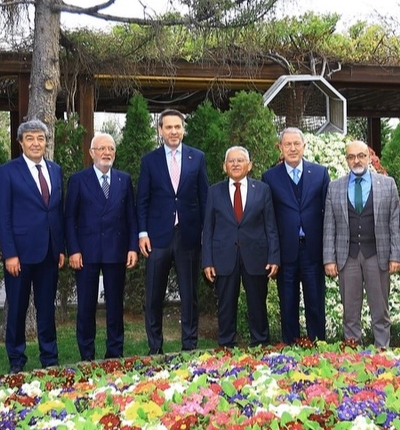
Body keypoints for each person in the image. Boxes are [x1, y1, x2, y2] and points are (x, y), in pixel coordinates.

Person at [0, 119, 66, 370]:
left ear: (46, 142)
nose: (36, 143)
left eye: (40, 138)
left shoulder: (56, 170)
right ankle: (16, 360)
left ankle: (49, 358)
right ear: (21, 142)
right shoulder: (6, 172)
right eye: (30, 138)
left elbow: (57, 212)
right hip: (19, 256)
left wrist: (61, 248)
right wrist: (9, 253)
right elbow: (2, 216)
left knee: (46, 309)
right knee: (17, 310)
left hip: (49, 252)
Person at [136, 109, 209, 354]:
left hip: (188, 236)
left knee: (190, 296)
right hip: (157, 238)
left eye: (178, 127)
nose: (174, 131)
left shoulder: (196, 158)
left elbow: (204, 197)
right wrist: (142, 233)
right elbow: (142, 200)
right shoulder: (149, 160)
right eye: (169, 127)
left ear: (183, 129)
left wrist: (204, 234)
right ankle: (155, 347)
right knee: (154, 296)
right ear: (160, 130)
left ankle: (189, 346)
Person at [64, 133, 138, 360]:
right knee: (86, 306)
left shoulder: (123, 180)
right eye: (102, 148)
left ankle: (114, 353)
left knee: (115, 305)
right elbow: (69, 218)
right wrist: (73, 250)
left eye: (111, 149)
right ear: (92, 153)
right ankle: (86, 354)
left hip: (116, 251)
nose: (107, 153)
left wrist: (132, 247)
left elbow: (131, 217)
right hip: (86, 253)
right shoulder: (78, 180)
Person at [323, 140, 400, 347]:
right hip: (347, 255)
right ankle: (352, 351)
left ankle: (382, 350)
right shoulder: (335, 187)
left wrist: (396, 255)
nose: (356, 160)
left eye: (360, 156)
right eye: (351, 157)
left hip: (377, 254)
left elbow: (395, 222)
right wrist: (329, 259)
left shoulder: (387, 184)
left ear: (369, 157)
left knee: (380, 308)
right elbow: (329, 225)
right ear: (346, 159)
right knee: (350, 310)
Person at [202, 146, 279, 346]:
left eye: (240, 160)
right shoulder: (214, 191)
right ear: (224, 166)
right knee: (226, 306)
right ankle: (226, 346)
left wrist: (273, 257)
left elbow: (270, 226)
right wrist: (207, 261)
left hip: (256, 257)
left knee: (257, 305)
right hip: (224, 257)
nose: (235, 164)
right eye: (231, 161)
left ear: (249, 165)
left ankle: (260, 345)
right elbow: (208, 229)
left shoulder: (262, 190)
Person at [262, 127, 329, 343]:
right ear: (280, 148)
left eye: (296, 144)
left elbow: (328, 215)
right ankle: (290, 350)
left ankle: (317, 347)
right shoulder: (270, 177)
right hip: (286, 252)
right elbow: (268, 219)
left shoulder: (320, 173)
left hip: (313, 251)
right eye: (287, 144)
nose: (292, 148)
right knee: (288, 304)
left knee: (315, 303)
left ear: (304, 146)